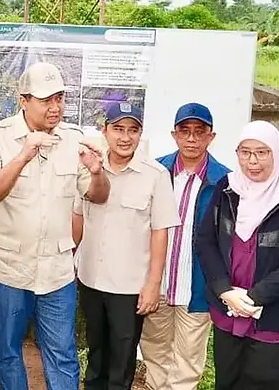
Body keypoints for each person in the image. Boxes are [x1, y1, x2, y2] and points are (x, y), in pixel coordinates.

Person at [0, 61, 109, 390]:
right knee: (9, 351)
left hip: (56, 272)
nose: (55, 107)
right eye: (46, 99)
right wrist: (22, 156)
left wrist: (97, 172)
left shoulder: (73, 139)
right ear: (23, 100)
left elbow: (99, 196)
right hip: (7, 269)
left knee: (62, 353)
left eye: (59, 98)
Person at [195, 120, 279, 390]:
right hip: (229, 308)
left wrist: (255, 296)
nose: (252, 161)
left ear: (276, 152)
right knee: (227, 381)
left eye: (262, 152)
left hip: (274, 313)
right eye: (245, 152)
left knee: (264, 383)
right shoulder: (228, 187)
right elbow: (206, 241)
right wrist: (224, 290)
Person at [71, 101, 180, 390]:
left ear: (140, 134)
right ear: (105, 131)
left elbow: (160, 232)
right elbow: (77, 220)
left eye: (133, 130)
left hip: (129, 288)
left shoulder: (155, 175)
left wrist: (153, 285)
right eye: (118, 129)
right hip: (91, 280)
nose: (125, 137)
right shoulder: (89, 169)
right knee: (96, 357)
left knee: (122, 362)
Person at [140, 103, 231, 390]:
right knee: (154, 352)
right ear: (174, 134)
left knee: (188, 362)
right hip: (158, 283)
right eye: (185, 131)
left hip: (196, 287)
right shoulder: (155, 171)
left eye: (199, 132)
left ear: (211, 137)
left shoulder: (225, 181)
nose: (191, 139)